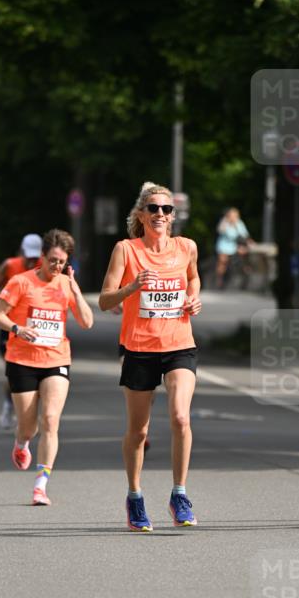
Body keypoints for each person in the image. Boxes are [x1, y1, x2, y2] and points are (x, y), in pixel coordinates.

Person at [99, 181, 202, 531]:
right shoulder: (125, 250)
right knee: (139, 431)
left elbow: (194, 279)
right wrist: (133, 287)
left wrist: (193, 298)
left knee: (181, 418)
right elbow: (105, 300)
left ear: (173, 216)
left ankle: (179, 494)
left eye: (167, 209)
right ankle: (135, 496)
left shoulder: (186, 247)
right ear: (141, 214)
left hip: (179, 345)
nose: (160, 214)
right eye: (154, 209)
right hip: (139, 348)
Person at [0, 228, 93, 505]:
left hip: (56, 359)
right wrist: (17, 327)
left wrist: (76, 291)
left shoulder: (66, 284)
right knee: (29, 427)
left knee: (50, 420)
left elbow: (87, 322)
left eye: (61, 262)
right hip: (22, 360)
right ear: (42, 257)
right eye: (52, 260)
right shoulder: (20, 282)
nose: (56, 266)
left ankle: (40, 485)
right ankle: (21, 443)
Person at [0, 233, 43, 430]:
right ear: (21, 252)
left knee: (39, 372)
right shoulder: (10, 265)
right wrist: (5, 303)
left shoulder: (46, 265)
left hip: (36, 326)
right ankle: (8, 405)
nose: (32, 261)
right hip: (10, 326)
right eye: (29, 256)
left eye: (36, 257)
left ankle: (30, 416)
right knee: (12, 373)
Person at [215, 207, 250, 289]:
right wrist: (227, 222)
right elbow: (220, 230)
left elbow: (244, 235)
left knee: (245, 255)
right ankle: (219, 281)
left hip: (235, 247)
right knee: (222, 262)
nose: (233, 217)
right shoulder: (224, 222)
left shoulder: (239, 223)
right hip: (223, 246)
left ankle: (244, 278)